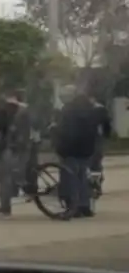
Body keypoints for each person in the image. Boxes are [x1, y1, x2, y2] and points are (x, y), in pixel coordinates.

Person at [53, 85, 101, 218]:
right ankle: (84, 205)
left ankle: (73, 207)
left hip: (70, 149)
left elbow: (66, 130)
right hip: (86, 149)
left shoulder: (68, 110)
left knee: (71, 179)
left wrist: (57, 136)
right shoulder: (91, 109)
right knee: (83, 177)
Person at [0, 90, 31, 218]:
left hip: (8, 148)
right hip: (22, 146)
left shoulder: (3, 111)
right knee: (17, 172)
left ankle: (5, 209)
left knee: (4, 179)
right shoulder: (24, 110)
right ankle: (24, 186)